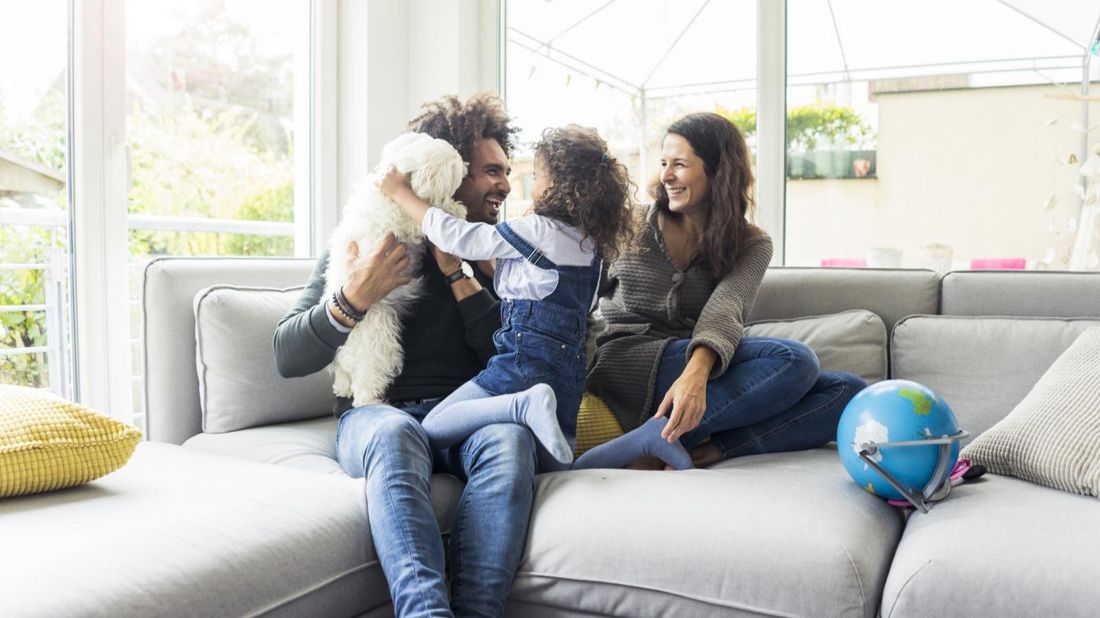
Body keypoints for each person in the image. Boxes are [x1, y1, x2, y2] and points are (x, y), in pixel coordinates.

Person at [274, 93, 532, 617]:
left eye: (505, 172)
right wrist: (354, 297)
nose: (504, 185)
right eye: (489, 171)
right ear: (447, 169)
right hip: (378, 414)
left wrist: (458, 271)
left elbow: (511, 358)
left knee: (510, 440)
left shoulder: (497, 252)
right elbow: (287, 353)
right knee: (394, 433)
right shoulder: (361, 237)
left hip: (468, 413)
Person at [579, 112, 867, 470]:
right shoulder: (629, 224)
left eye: (680, 164)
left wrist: (695, 376)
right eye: (664, 163)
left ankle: (706, 448)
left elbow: (726, 308)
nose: (667, 175)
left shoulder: (751, 243)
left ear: (717, 171)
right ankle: (659, 437)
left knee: (848, 392)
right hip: (627, 364)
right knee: (795, 360)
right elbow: (581, 300)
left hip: (697, 373)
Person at [379, 125, 636, 470]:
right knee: (559, 466)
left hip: (522, 366)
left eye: (539, 175)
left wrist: (401, 193)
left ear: (559, 185)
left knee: (434, 426)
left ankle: (521, 405)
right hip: (568, 375)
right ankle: (646, 439)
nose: (531, 185)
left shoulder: (536, 230)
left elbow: (460, 237)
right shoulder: (591, 248)